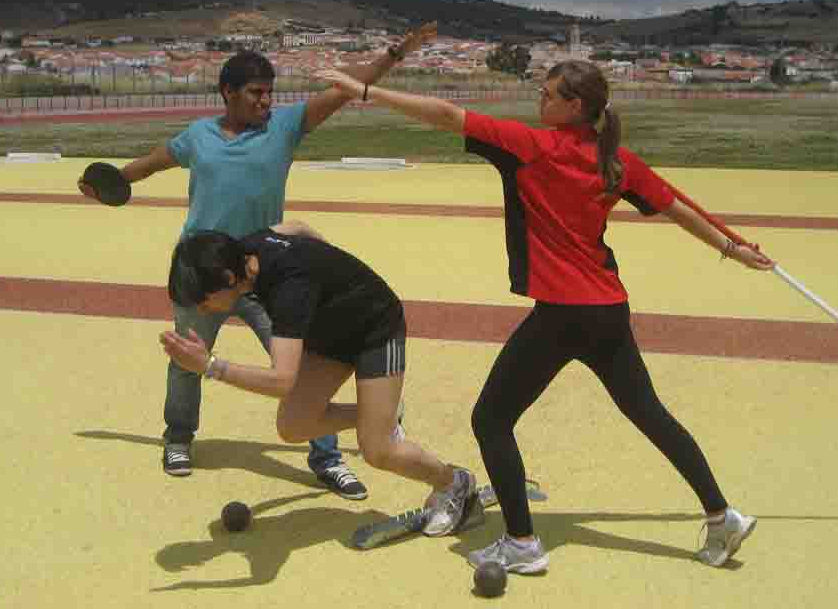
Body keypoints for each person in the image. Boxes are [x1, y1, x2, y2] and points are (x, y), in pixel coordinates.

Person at [315, 61, 774, 571]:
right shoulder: (618, 161)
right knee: (650, 414)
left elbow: (446, 115)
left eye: (549, 93)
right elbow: (679, 207)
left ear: (574, 106)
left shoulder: (533, 147)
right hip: (607, 312)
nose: (540, 98)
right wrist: (733, 248)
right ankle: (721, 515)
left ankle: (522, 543)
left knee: (491, 419)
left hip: (562, 315)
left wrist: (365, 91)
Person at [78, 22, 436, 498]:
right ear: (227, 92)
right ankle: (179, 437)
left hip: (260, 274)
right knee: (185, 361)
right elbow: (148, 164)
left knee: (302, 371)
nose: (265, 101)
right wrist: (108, 185)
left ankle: (327, 458)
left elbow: (345, 91)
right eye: (254, 93)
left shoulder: (284, 127)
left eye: (269, 92)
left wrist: (395, 53)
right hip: (204, 275)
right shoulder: (197, 136)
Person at [159, 222, 477, 536]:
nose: (203, 310)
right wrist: (328, 267)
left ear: (228, 279)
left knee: (378, 451)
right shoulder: (248, 247)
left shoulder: (289, 289)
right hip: (331, 335)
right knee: (294, 425)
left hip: (375, 329)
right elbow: (297, 227)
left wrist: (210, 366)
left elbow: (281, 380)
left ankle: (454, 483)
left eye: (203, 301)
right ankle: (382, 414)